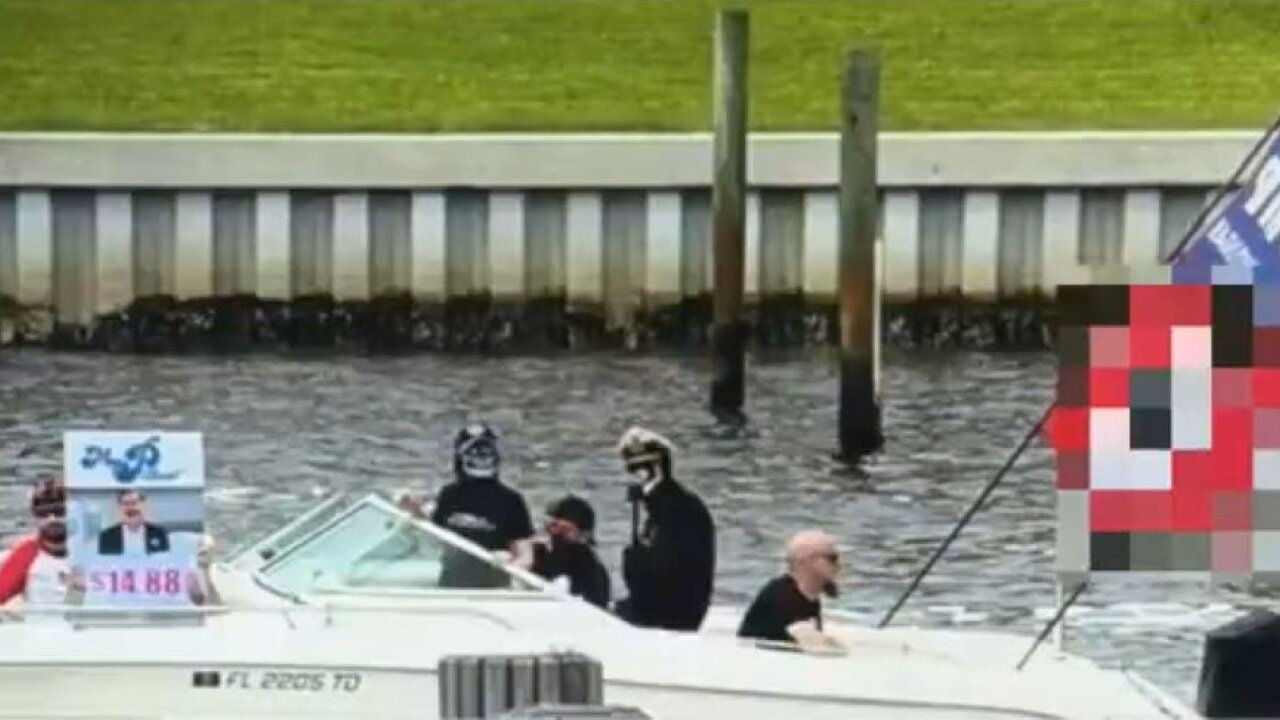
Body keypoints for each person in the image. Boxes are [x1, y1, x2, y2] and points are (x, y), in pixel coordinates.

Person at [613, 426, 716, 631]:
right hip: (659, 612)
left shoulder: (679, 510)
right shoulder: (668, 507)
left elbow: (662, 573)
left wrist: (633, 560)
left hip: (671, 619)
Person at [429, 422, 536, 588]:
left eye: (485, 451)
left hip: (491, 589)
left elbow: (526, 556)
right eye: (472, 452)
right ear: (460, 456)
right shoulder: (449, 494)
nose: (480, 457)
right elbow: (432, 537)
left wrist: (509, 565)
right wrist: (412, 512)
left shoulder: (511, 500)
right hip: (451, 586)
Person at [737, 529, 845, 653]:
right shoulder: (783, 596)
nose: (838, 565)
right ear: (808, 561)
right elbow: (818, 648)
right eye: (832, 558)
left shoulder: (807, 598)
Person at [0, 476, 71, 611]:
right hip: (41, 629)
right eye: (43, 513)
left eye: (60, 512)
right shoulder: (26, 553)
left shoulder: (95, 549)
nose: (52, 518)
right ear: (34, 516)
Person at [531, 494, 611, 609]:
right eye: (549, 527)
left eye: (562, 530)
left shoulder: (590, 567)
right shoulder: (541, 554)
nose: (553, 534)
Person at [97, 489, 170, 556]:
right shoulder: (107, 536)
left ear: (143, 505)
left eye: (134, 503)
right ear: (119, 507)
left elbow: (165, 562)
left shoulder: (159, 533)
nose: (130, 508)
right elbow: (104, 565)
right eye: (126, 504)